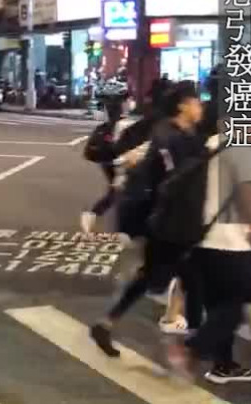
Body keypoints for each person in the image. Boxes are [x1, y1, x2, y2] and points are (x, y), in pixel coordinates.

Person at [89, 81, 207, 357]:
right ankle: (197, 340)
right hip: (170, 222)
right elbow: (175, 180)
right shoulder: (171, 137)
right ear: (183, 106)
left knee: (159, 276)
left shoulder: (179, 133)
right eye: (196, 102)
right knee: (192, 276)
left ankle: (106, 324)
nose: (200, 107)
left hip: (169, 220)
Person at [165, 117, 251, 383]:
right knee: (244, 301)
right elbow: (247, 202)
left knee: (219, 305)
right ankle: (191, 348)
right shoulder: (242, 150)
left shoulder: (213, 144)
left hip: (200, 240)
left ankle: (223, 365)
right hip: (229, 242)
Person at [80, 98, 125, 234]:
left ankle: (92, 215)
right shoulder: (122, 125)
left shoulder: (106, 127)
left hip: (107, 162)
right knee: (117, 192)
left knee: (117, 191)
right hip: (118, 163)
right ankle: (92, 215)